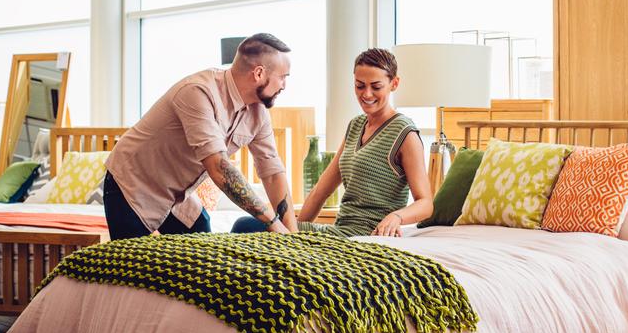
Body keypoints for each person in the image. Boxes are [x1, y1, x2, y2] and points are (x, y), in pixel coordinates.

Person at [104, 33, 298, 240]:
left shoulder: (258, 114)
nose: (284, 85)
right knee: (130, 266)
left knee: (202, 251)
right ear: (259, 73)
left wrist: (293, 236)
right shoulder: (198, 92)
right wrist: (272, 222)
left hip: (177, 195)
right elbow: (220, 169)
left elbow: (272, 172)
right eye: (283, 77)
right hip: (132, 184)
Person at [231, 48, 432, 237]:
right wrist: (294, 234)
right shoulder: (356, 125)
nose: (366, 94)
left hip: (368, 235)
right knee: (250, 225)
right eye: (359, 85)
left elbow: (426, 203)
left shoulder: (404, 133)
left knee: (245, 227)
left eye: (376, 87)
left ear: (394, 84)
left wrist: (396, 217)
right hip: (340, 230)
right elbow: (321, 191)